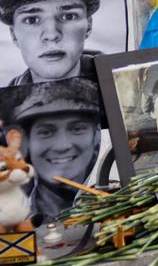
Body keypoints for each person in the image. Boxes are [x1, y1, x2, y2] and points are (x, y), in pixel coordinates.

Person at [13, 79, 104, 225]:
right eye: (46, 132)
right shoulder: (12, 219)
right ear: (27, 142)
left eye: (77, 129)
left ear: (96, 136)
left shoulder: (116, 199)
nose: (62, 146)